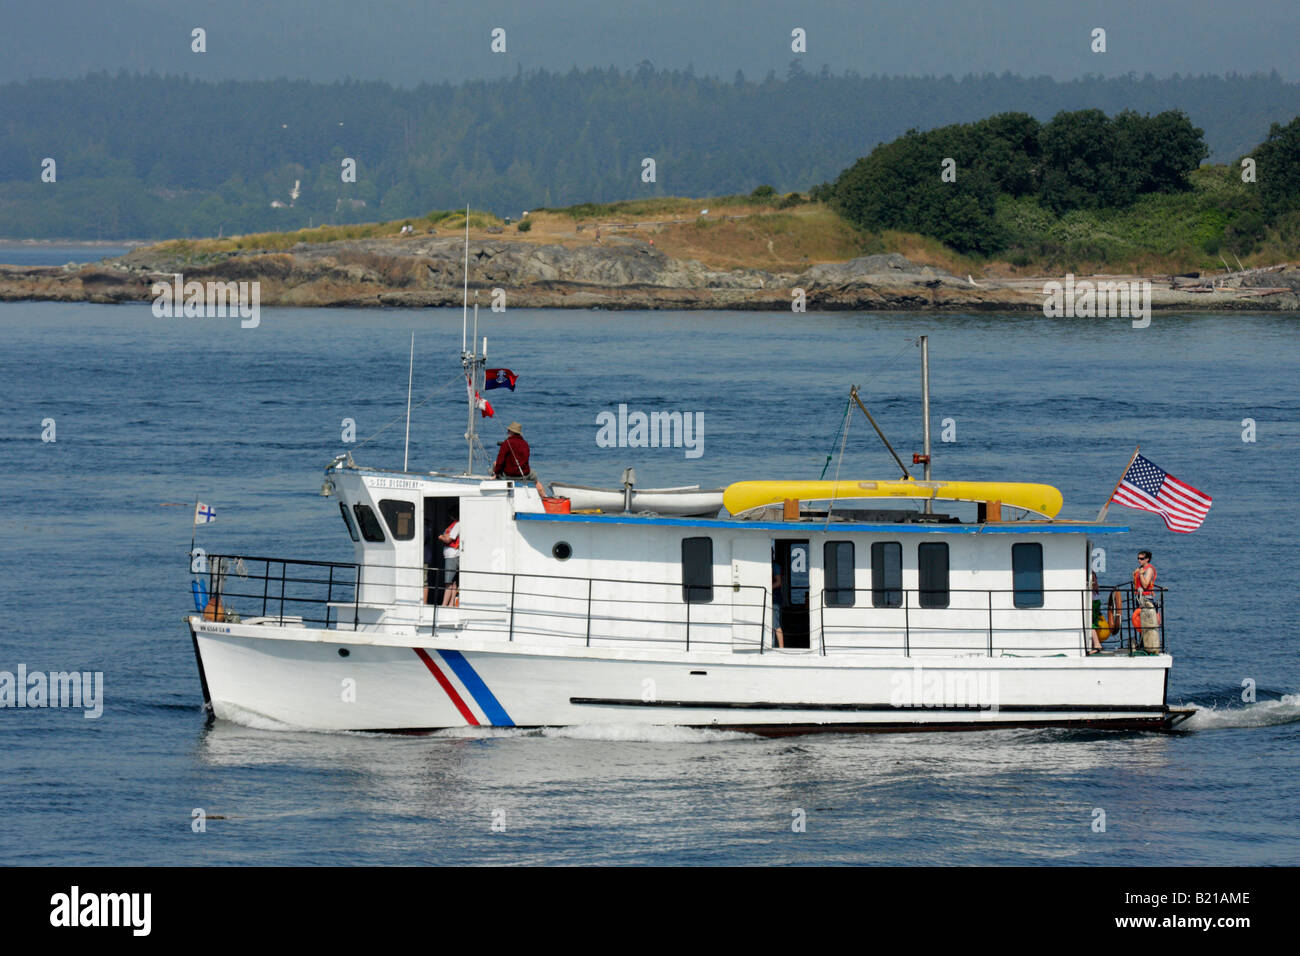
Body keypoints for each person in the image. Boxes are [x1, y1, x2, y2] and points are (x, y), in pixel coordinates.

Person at [438, 510, 460, 607]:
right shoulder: (454, 525)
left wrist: (440, 536)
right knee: (453, 582)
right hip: (452, 555)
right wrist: (444, 536)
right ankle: (450, 604)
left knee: (448, 582)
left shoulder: (457, 525)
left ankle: (444, 605)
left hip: (452, 555)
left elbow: (448, 539)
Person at [772, 562, 785, 649]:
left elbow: (779, 582)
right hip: (773, 598)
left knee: (776, 624)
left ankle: (781, 647)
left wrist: (768, 587)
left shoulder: (775, 566)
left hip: (774, 599)